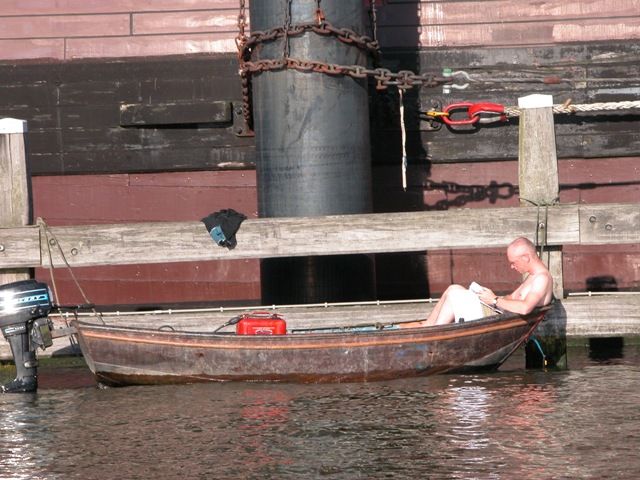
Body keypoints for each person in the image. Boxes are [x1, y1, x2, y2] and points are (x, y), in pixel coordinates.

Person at [400, 237, 553, 328]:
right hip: (495, 311)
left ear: (526, 258)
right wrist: (485, 297)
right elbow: (511, 298)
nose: (512, 266)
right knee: (454, 288)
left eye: (514, 262)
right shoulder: (532, 276)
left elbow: (526, 308)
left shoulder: (541, 278)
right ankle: (429, 326)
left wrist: (494, 300)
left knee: (455, 296)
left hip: (497, 320)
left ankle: (435, 333)